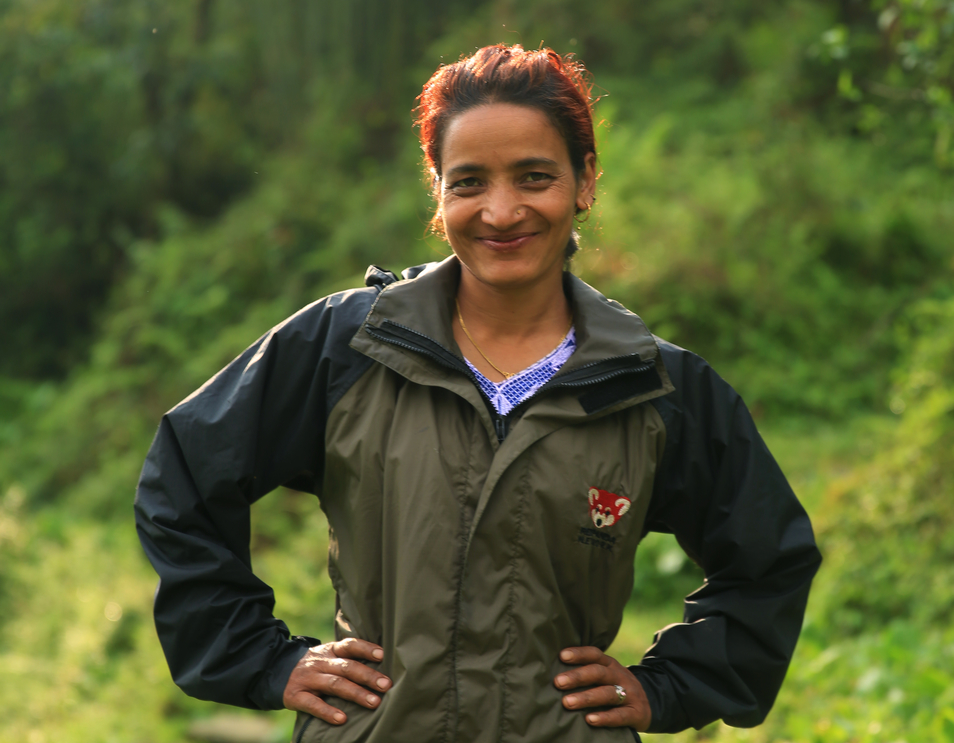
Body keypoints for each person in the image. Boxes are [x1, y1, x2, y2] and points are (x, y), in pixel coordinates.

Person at [135, 44, 821, 742]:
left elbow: (769, 559)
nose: (501, 211)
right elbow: (185, 474)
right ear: (436, 189)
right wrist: (262, 658)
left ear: (585, 181)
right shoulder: (346, 348)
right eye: (469, 182)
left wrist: (670, 685)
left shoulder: (655, 388)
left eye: (534, 176)